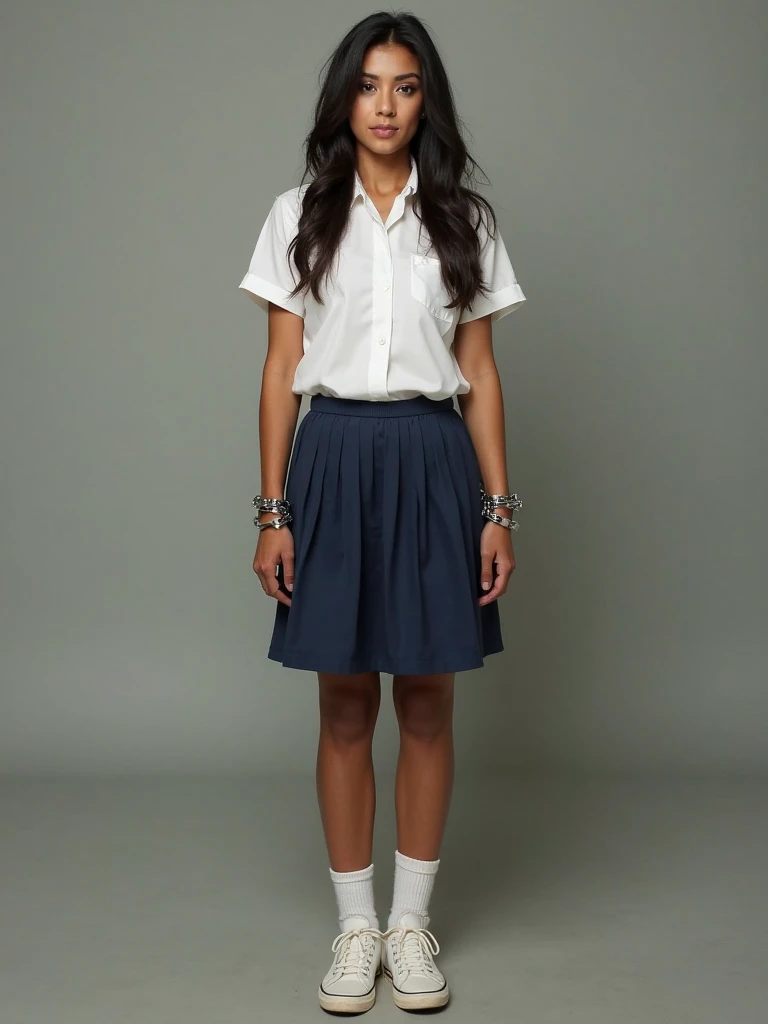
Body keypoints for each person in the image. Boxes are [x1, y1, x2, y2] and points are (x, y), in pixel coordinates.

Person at [238, 11, 526, 1014]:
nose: (386, 105)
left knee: (430, 700)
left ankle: (411, 925)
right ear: (343, 99)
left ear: (425, 100)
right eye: (368, 86)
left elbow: (481, 374)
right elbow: (281, 369)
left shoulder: (467, 221)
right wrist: (273, 508)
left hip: (434, 455)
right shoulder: (298, 214)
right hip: (332, 459)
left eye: (405, 86)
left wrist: (499, 507)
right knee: (346, 700)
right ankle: (355, 927)